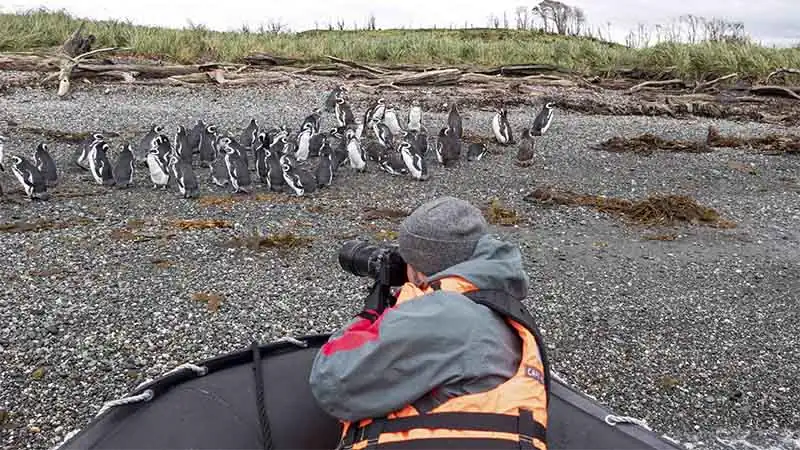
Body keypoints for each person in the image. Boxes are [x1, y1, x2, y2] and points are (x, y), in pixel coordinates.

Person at [309, 196, 550, 450]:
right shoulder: (498, 306)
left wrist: (371, 314)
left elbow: (331, 381)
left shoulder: (445, 314)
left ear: (421, 271)